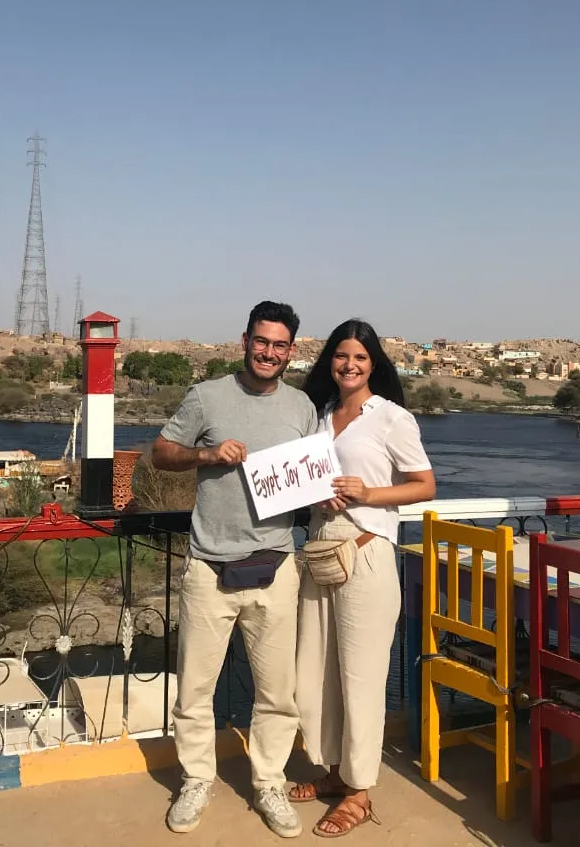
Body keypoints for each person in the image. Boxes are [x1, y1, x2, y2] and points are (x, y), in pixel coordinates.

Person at [153, 300, 318, 838]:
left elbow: (311, 480)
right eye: (261, 341)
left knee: (278, 693)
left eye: (279, 345)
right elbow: (161, 453)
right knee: (194, 691)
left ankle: (269, 783)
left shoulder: (301, 407)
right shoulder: (206, 396)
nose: (269, 352)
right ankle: (196, 780)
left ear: (290, 351)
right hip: (209, 568)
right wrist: (206, 456)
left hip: (276, 566)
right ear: (245, 341)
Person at [289, 319, 435, 837]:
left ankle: (359, 791)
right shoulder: (320, 415)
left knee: (362, 678)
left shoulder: (392, 418)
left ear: (374, 364)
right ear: (330, 360)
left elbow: (424, 485)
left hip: (366, 553)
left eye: (360, 357)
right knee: (316, 672)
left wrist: (368, 494)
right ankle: (334, 771)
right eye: (341, 355)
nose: (349, 365)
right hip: (319, 551)